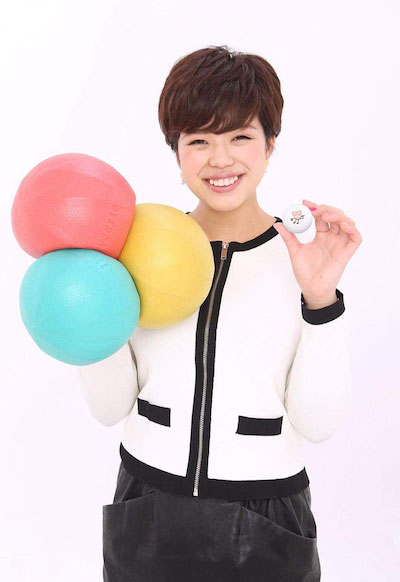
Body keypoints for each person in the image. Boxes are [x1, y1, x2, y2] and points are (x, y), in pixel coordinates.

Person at [77, 45, 362, 582]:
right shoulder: (137, 249)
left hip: (267, 516)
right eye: (199, 141)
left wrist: (321, 301)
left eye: (240, 137)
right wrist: (91, 310)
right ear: (176, 151)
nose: (221, 159)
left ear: (270, 144)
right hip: (147, 505)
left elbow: (318, 423)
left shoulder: (302, 258)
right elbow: (109, 406)